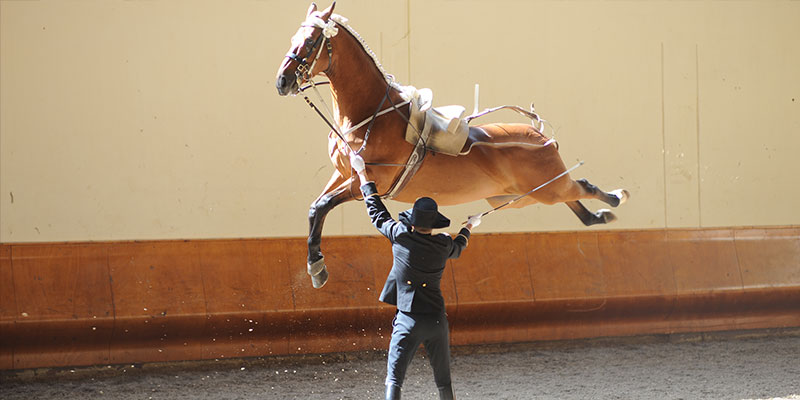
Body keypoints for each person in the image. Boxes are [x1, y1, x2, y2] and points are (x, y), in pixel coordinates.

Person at [349, 152, 481, 400]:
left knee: (395, 379)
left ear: (412, 222)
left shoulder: (400, 235)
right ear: (433, 225)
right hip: (437, 321)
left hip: (408, 320)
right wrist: (470, 226)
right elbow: (458, 247)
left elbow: (376, 211)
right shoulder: (442, 244)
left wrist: (362, 173)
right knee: (443, 381)